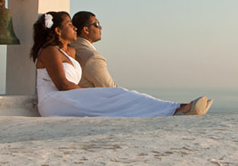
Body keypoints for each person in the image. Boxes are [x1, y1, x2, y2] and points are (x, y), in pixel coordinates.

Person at [31, 11, 212, 117]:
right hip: (53, 101)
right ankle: (176, 110)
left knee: (122, 95)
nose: (75, 28)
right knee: (117, 95)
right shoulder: (50, 51)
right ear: (57, 30)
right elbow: (62, 84)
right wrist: (92, 94)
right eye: (70, 25)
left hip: (69, 97)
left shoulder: (70, 51)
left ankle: (177, 107)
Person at [70, 11, 116, 88]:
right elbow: (110, 89)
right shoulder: (93, 58)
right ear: (86, 30)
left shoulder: (68, 48)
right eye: (97, 24)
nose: (100, 28)